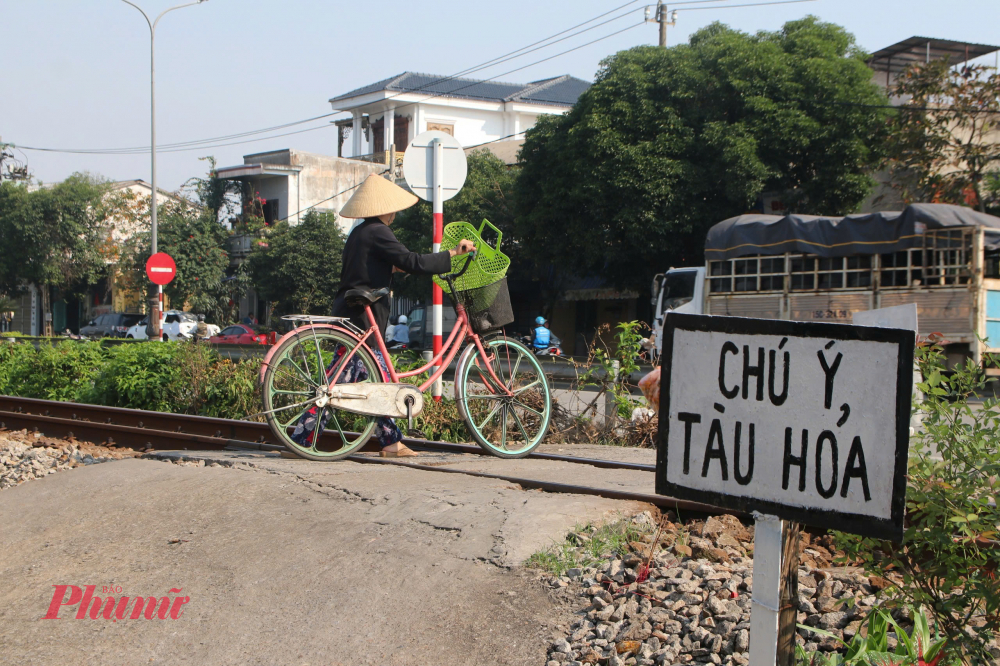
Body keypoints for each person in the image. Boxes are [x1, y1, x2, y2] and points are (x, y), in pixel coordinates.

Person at [321, 174, 475, 457]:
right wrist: (453, 253)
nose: (394, 213)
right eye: (391, 208)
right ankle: (305, 437)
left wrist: (393, 268)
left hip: (352, 313)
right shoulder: (379, 231)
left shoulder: (359, 233)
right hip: (362, 319)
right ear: (381, 208)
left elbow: (373, 266)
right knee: (346, 383)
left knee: (365, 378)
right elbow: (412, 261)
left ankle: (390, 442)